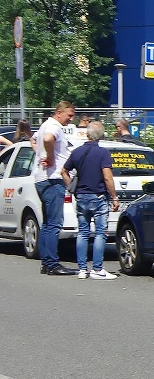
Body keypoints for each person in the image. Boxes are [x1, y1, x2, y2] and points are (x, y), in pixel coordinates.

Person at [63, 121, 120, 280]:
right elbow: (107, 178)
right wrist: (114, 197)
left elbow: (64, 171)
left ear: (87, 134)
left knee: (83, 232)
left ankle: (82, 269)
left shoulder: (77, 152)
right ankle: (97, 269)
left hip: (81, 196)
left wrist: (71, 188)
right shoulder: (103, 153)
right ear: (101, 136)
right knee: (101, 233)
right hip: (98, 196)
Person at [34, 101, 77, 275]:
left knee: (47, 224)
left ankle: (46, 262)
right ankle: (52, 264)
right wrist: (50, 157)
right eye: (69, 115)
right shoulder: (54, 126)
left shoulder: (45, 124)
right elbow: (47, 139)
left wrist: (42, 155)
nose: (71, 119)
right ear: (59, 112)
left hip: (42, 178)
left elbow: (33, 139)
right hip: (53, 179)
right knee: (54, 224)